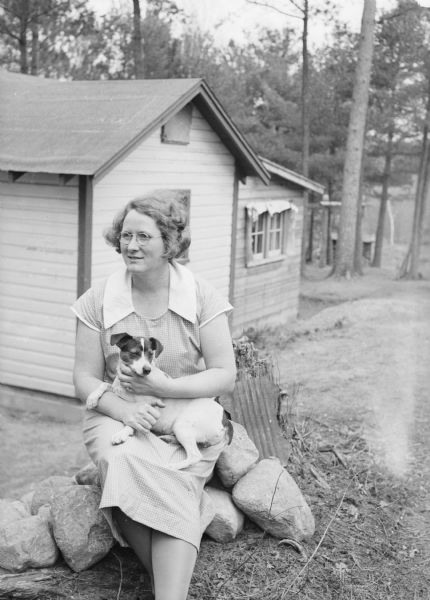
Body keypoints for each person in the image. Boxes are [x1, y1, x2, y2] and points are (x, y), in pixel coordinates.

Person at [72, 191, 236, 600]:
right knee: (123, 462)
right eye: (125, 235)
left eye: (144, 236)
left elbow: (225, 375)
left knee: (174, 479)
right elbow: (83, 378)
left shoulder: (201, 295)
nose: (131, 245)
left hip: (186, 415)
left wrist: (166, 388)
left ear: (170, 243)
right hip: (114, 413)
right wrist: (125, 411)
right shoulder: (98, 300)